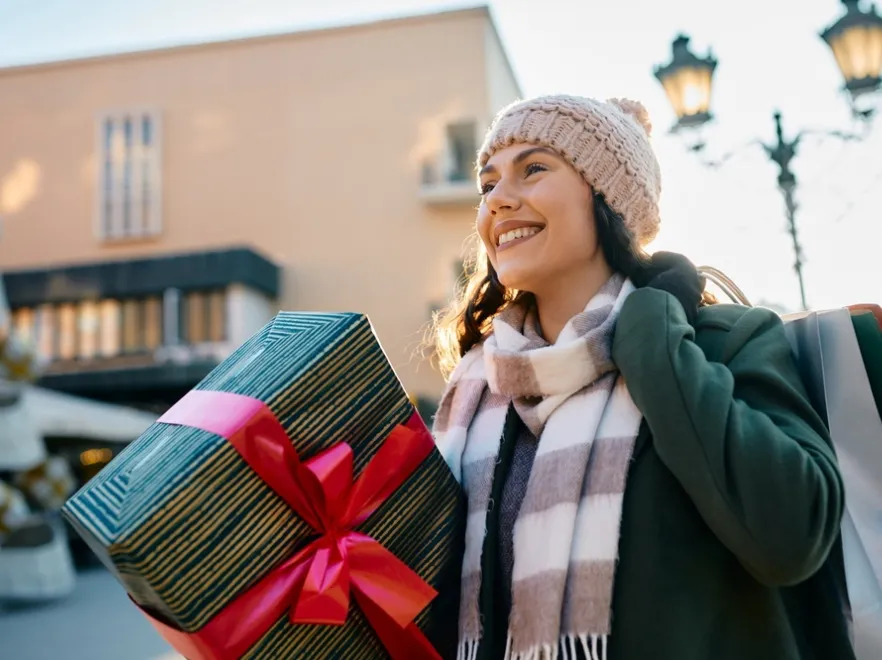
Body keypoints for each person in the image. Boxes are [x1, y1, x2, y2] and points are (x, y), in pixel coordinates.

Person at [431, 95, 854, 660]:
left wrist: (650, 339)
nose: (498, 202)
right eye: (488, 185)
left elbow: (791, 536)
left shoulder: (725, 342)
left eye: (533, 169)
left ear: (608, 198)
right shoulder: (476, 390)